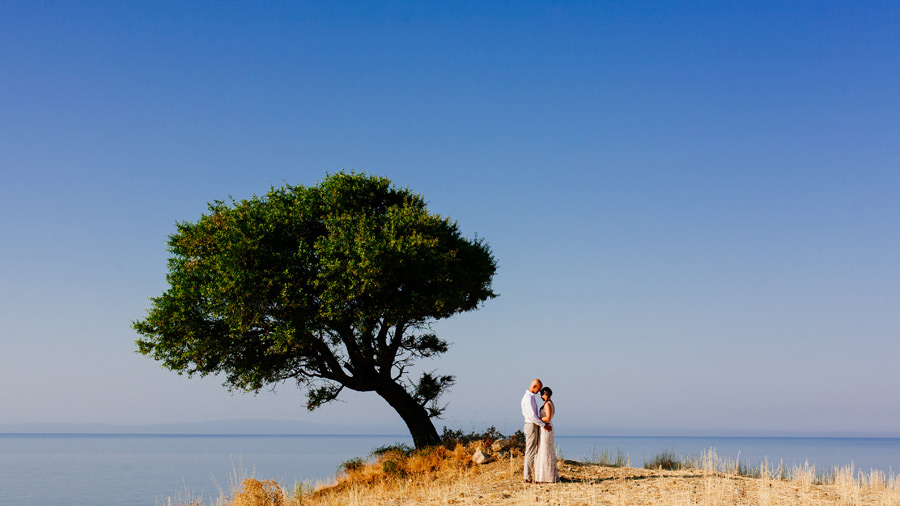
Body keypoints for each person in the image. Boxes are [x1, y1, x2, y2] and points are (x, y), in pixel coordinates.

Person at [521, 378, 549, 483]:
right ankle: (527, 477)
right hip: (531, 425)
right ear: (534, 386)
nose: (539, 392)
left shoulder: (530, 397)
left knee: (534, 450)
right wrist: (543, 425)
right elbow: (532, 416)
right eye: (539, 389)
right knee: (531, 451)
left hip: (533, 425)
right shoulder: (528, 398)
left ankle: (533, 475)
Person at [533, 386, 559, 483]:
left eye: (542, 394)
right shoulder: (550, 403)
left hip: (546, 427)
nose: (541, 397)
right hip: (547, 427)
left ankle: (545, 476)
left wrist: (538, 418)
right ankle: (546, 475)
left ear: (546, 394)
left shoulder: (548, 404)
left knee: (544, 450)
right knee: (547, 449)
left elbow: (548, 417)